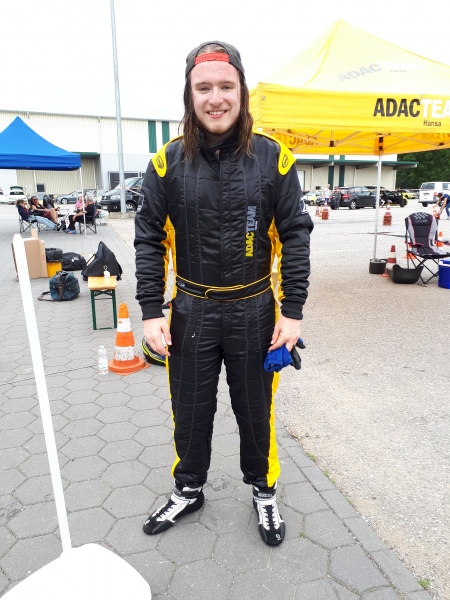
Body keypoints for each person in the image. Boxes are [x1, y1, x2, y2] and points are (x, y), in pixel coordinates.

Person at [135, 40, 313, 547]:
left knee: (256, 412)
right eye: (204, 88)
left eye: (226, 86)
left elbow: (295, 234)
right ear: (189, 95)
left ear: (241, 91)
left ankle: (264, 491)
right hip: (190, 311)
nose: (216, 98)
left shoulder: (274, 158)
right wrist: (151, 311)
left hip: (256, 311)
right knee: (190, 411)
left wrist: (292, 311)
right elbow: (148, 237)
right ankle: (189, 489)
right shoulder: (166, 163)